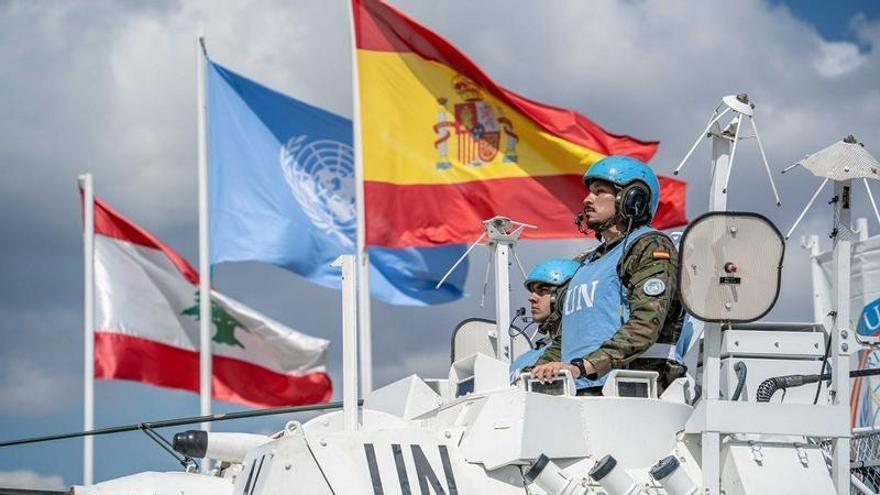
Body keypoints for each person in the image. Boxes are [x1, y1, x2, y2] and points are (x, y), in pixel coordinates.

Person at [530, 155, 684, 395]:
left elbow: (645, 324)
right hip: (578, 390)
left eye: (599, 191)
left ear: (632, 198)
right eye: (589, 192)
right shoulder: (584, 263)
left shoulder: (649, 246)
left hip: (631, 392)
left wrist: (585, 366)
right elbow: (565, 339)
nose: (587, 199)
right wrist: (535, 373)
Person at [509, 259, 580, 381]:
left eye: (542, 290)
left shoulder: (581, 350)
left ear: (564, 295)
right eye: (532, 291)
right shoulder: (521, 361)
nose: (531, 298)